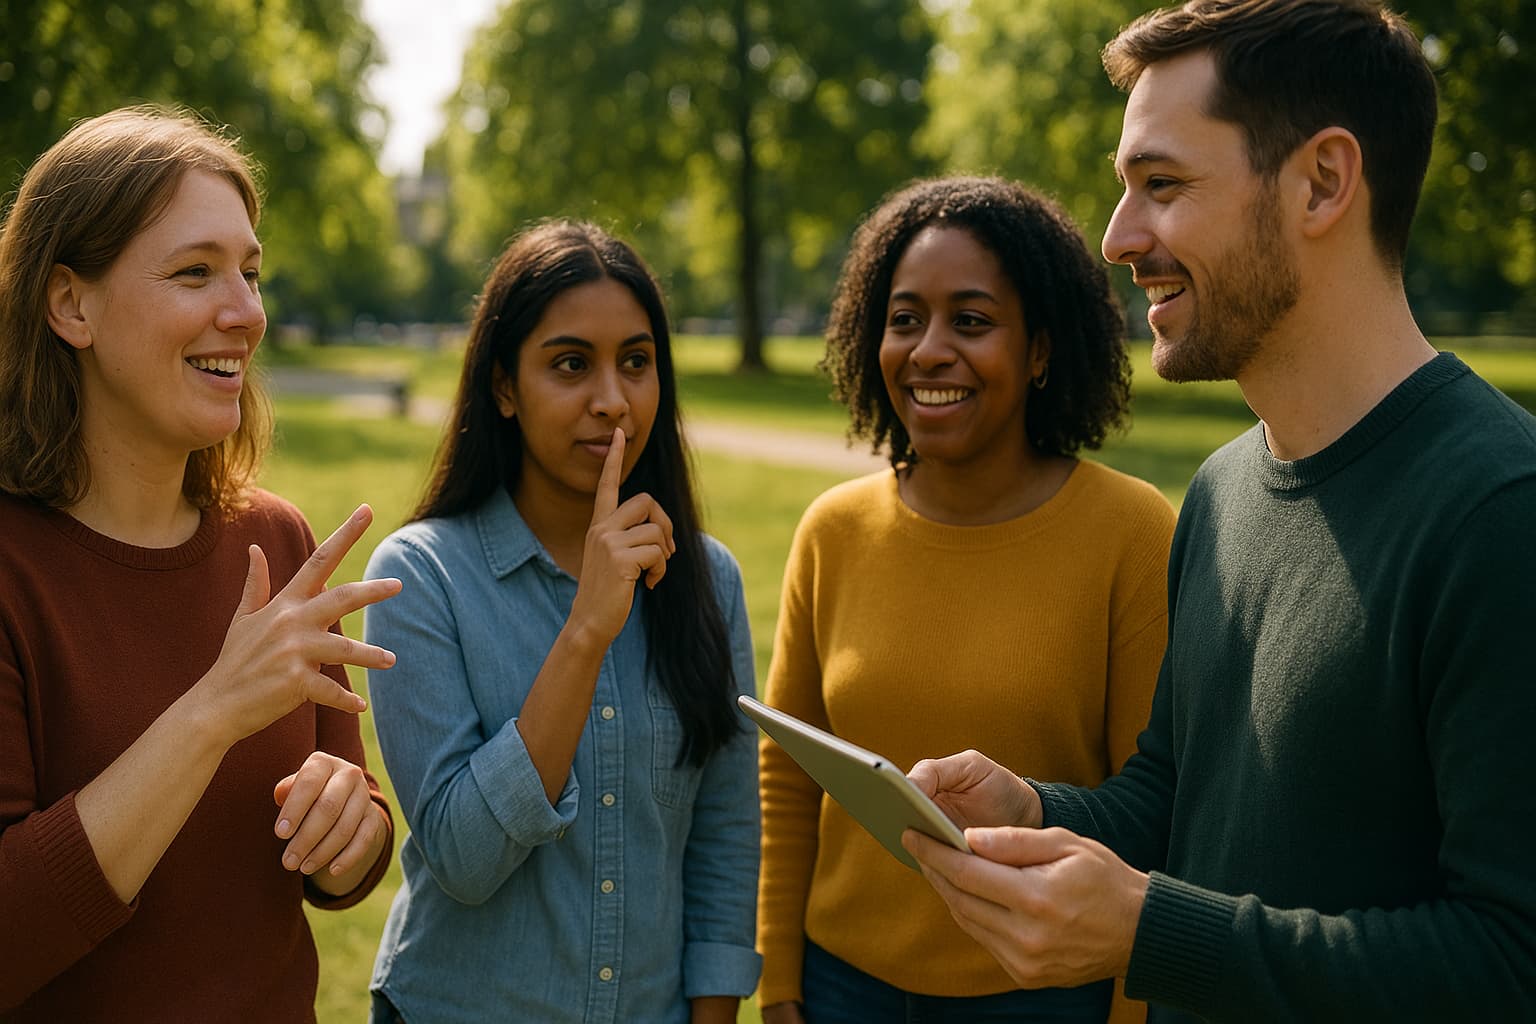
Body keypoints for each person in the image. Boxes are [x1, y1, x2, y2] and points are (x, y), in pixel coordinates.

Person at [902, 2, 1536, 1022]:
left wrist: (1149, 934)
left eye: (1162, 185)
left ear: (1321, 182)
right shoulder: (1221, 491)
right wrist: (1039, 812)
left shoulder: (1501, 513)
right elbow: (1176, 795)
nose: (1117, 237)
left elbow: (1510, 963)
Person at [0, 107, 400, 1021]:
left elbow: (347, 857)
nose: (247, 313)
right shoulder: (14, 569)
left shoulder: (278, 541)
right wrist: (213, 712)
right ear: (71, 305)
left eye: (250, 273)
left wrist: (351, 826)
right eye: (195, 272)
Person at [757, 176, 1177, 1024]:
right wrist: (781, 986)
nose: (929, 351)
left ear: (1040, 352)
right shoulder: (833, 531)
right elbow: (788, 780)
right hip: (841, 991)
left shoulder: (1131, 533)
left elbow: (1159, 813)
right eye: (905, 319)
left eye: (972, 321)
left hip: (1046, 997)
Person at [362, 220, 760, 1024]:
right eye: (571, 364)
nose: (612, 399)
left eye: (636, 362)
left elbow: (724, 838)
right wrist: (585, 631)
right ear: (504, 387)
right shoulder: (420, 576)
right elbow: (463, 857)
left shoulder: (707, 580)